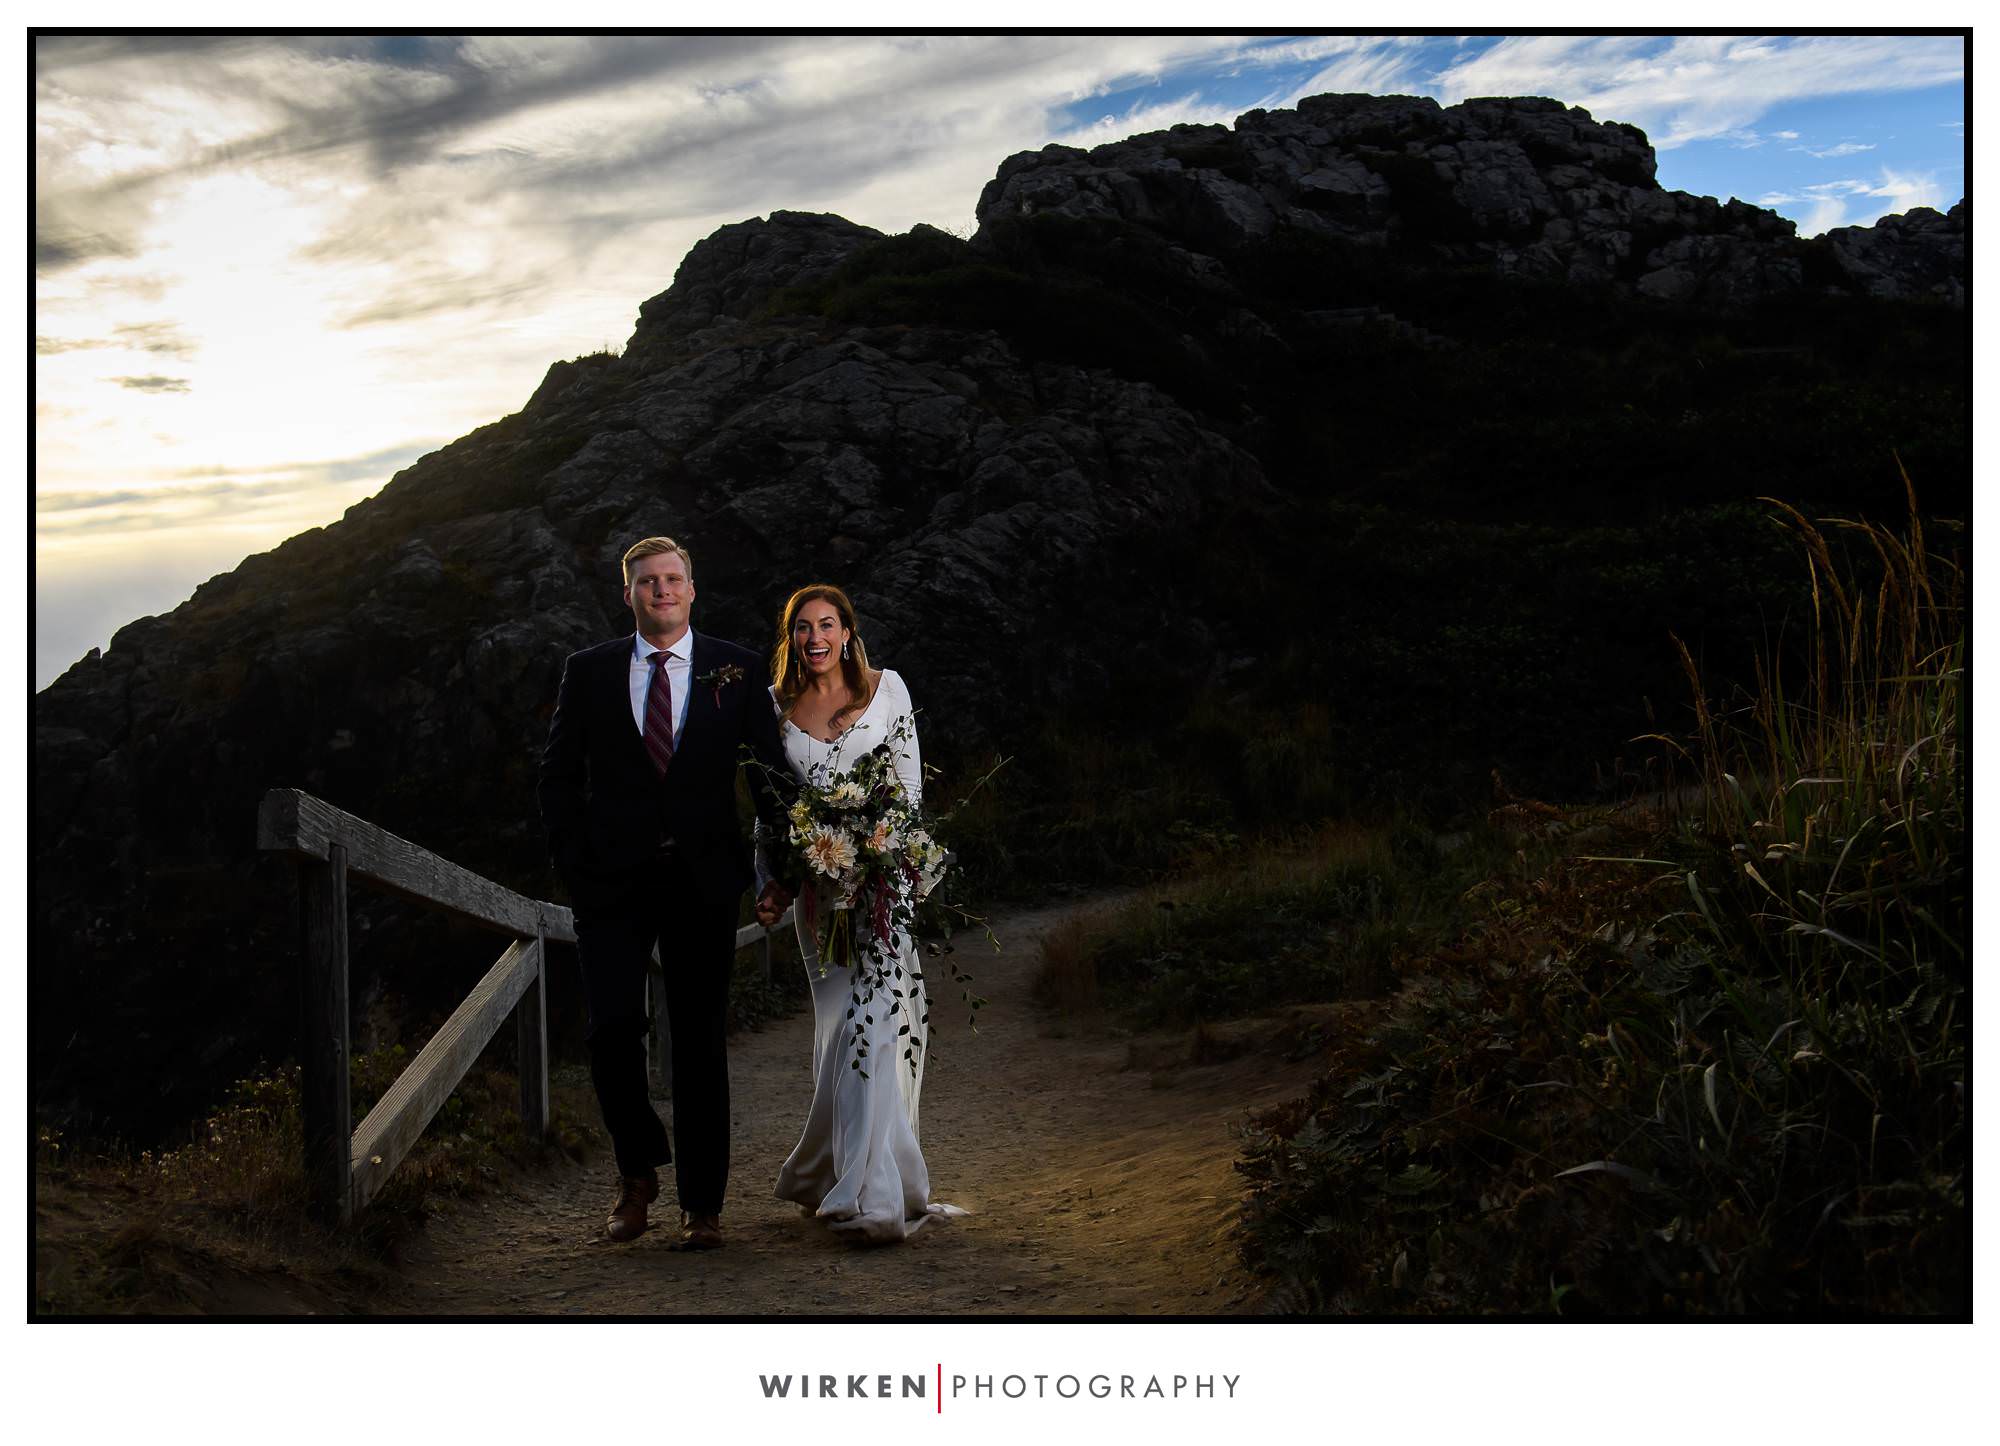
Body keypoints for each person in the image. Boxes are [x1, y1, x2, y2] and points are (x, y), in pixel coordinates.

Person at [537, 536, 792, 1250]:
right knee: (611, 1030)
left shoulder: (735, 669)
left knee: (701, 1042)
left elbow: (768, 779)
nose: (661, 590)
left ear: (691, 588)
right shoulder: (587, 672)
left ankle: (702, 1205)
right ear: (629, 595)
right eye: (647, 581)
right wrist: (575, 863)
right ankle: (637, 1171)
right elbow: (557, 778)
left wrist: (786, 873)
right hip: (611, 884)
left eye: (673, 578)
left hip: (704, 880)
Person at [754, 584, 961, 1243]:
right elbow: (772, 813)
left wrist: (880, 856)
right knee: (837, 1027)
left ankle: (873, 1196)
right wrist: (778, 881)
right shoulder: (776, 708)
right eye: (802, 628)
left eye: (827, 625)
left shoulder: (888, 689)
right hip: (818, 895)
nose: (816, 638)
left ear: (847, 631)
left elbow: (909, 791)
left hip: (880, 885)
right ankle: (831, 1171)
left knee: (876, 1021)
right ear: (792, 639)